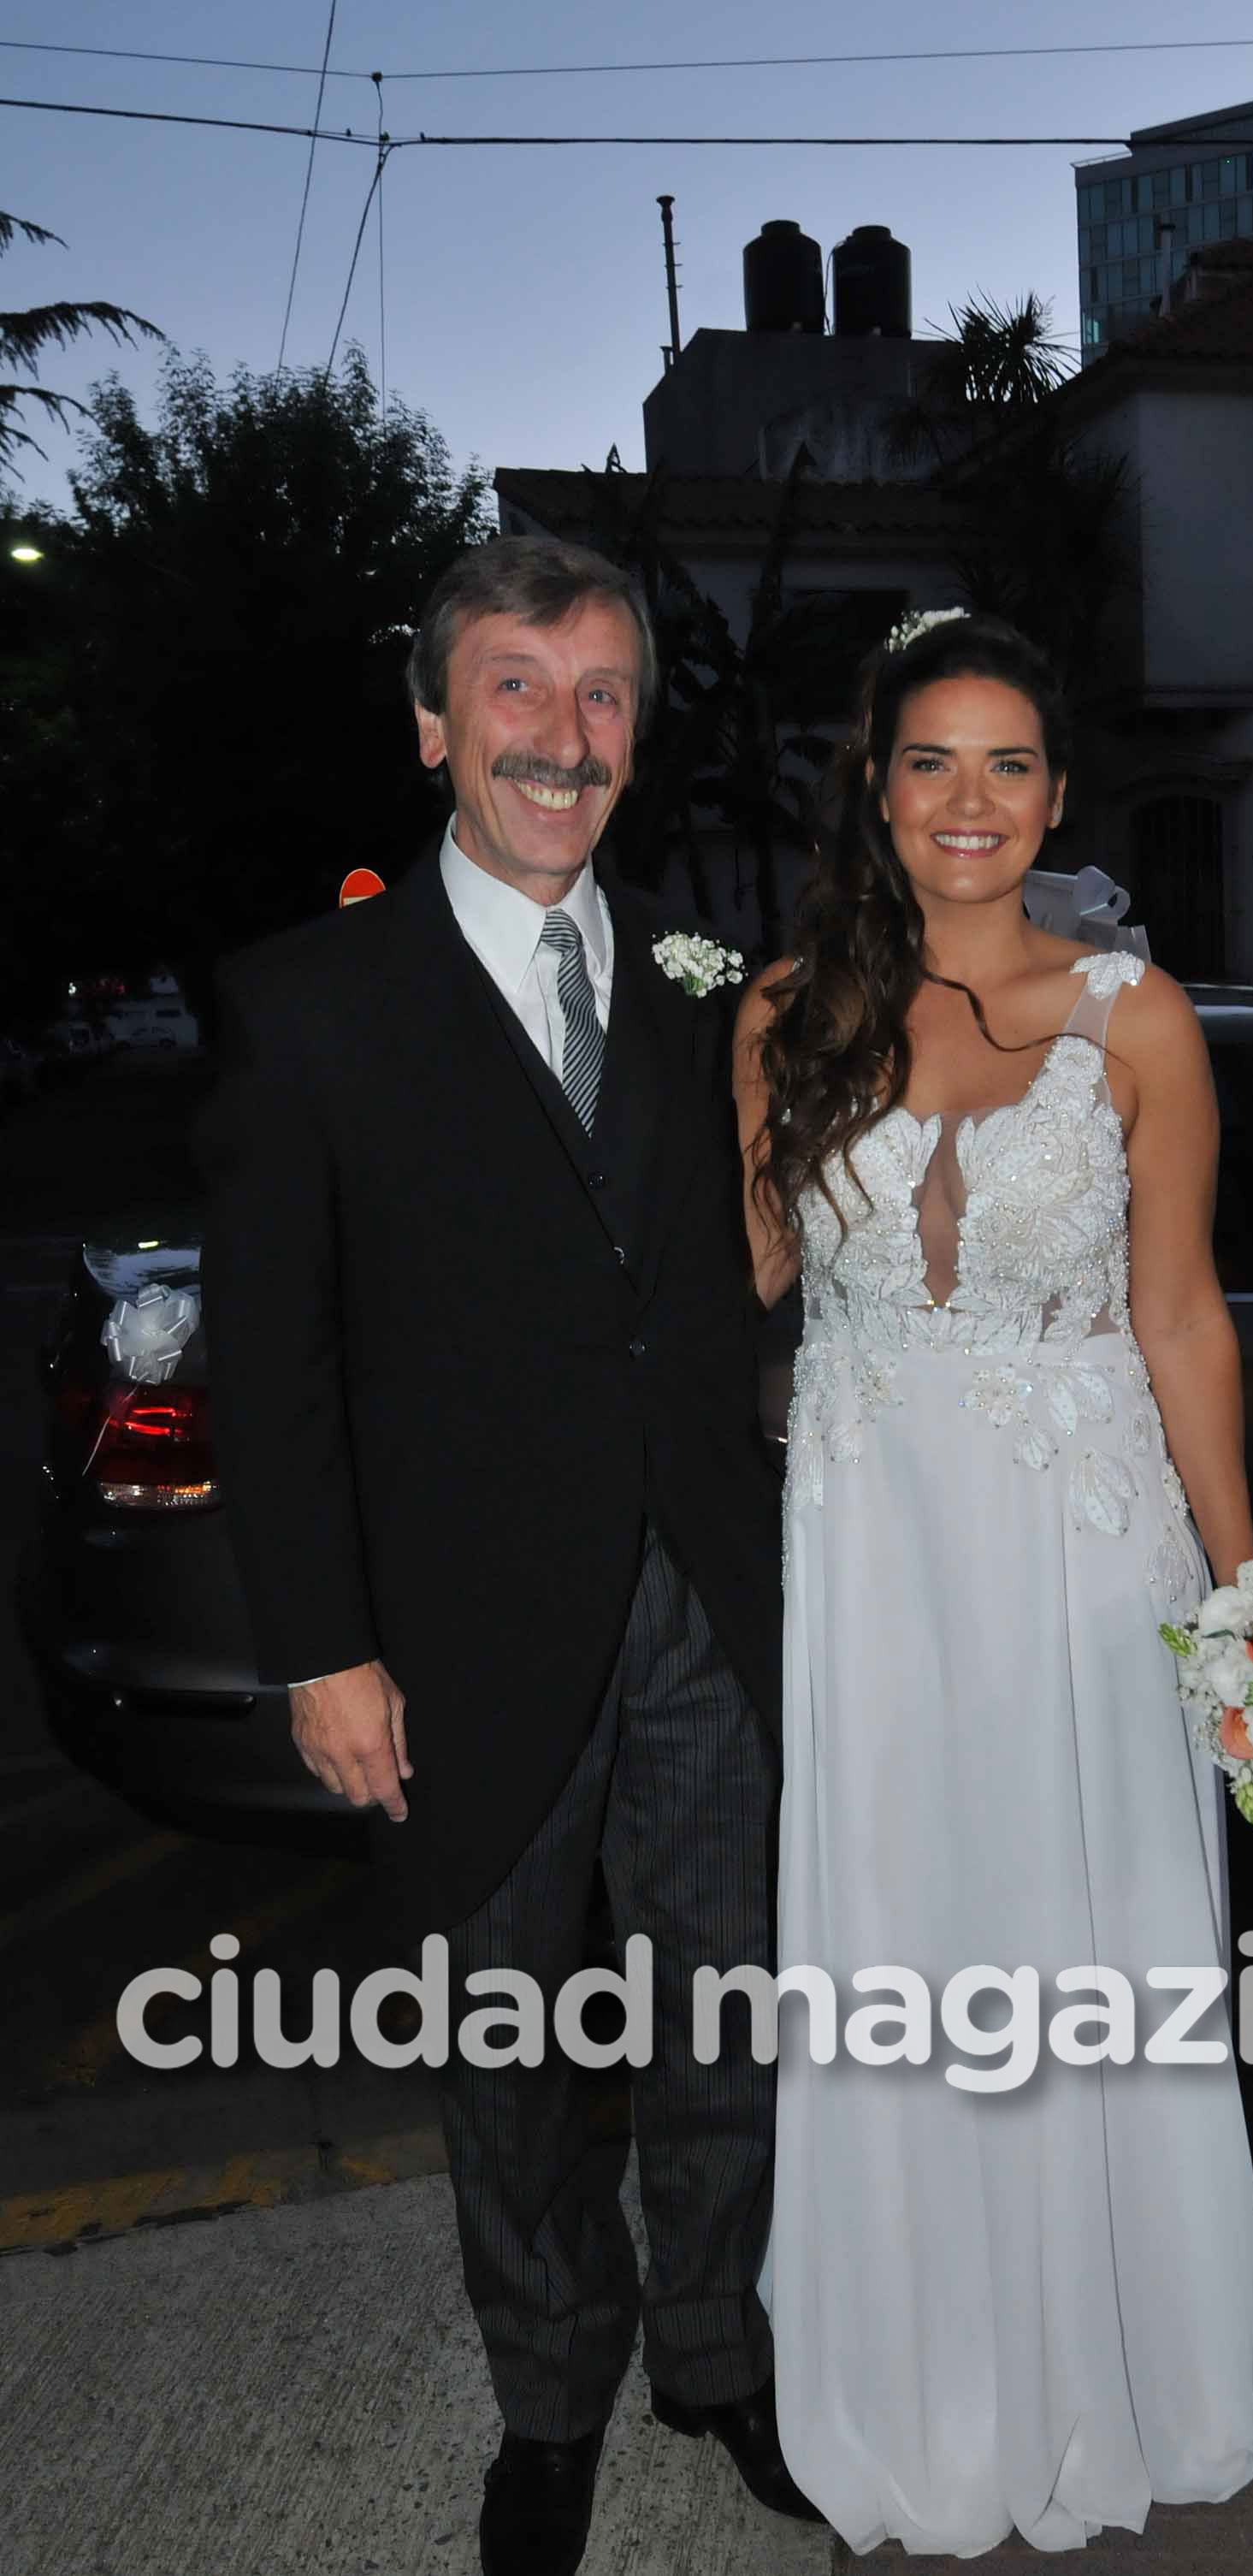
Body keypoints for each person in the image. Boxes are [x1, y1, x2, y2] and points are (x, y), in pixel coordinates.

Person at [197, 537, 820, 2573]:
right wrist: (323, 1652)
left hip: (703, 1610)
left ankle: (717, 2360)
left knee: (729, 2013)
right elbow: (272, 1367)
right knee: (514, 2049)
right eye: (518, 693)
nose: (565, 739)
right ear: (436, 727)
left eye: (604, 694)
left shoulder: (708, 976)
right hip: (458, 1637)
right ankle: (549, 2402)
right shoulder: (308, 1008)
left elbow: (743, 1280)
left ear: (642, 727)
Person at [733, 608, 1253, 2555]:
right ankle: (927, 2385)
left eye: (1005, 766)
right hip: (875, 1566)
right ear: (875, 790)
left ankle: (1121, 2374)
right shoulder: (779, 1017)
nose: (965, 802)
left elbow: (1182, 1317)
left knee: (1096, 1951)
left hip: (1081, 1558)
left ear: (1054, 796)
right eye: (926, 762)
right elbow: (726, 1286)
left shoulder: (1139, 1015)